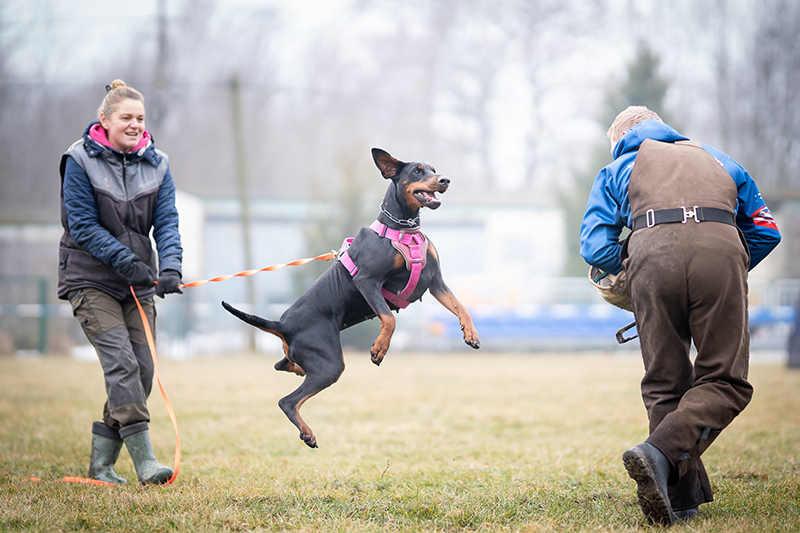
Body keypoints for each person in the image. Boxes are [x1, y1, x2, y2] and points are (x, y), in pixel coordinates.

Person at [580, 106, 781, 524]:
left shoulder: (616, 169)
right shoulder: (720, 160)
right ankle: (667, 471)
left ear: (619, 140)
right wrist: (724, 271)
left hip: (651, 259)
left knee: (664, 382)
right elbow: (765, 231)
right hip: (720, 255)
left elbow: (594, 247)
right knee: (725, 381)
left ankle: (676, 494)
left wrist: (639, 272)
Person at [58, 80, 184, 485]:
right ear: (105, 120)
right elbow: (82, 225)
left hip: (138, 284)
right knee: (122, 365)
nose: (135, 124)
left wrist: (171, 268)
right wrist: (127, 261)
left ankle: (101, 466)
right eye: (126, 117)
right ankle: (146, 463)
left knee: (142, 370)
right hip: (90, 280)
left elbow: (167, 222)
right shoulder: (79, 160)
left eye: (140, 118)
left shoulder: (158, 164)